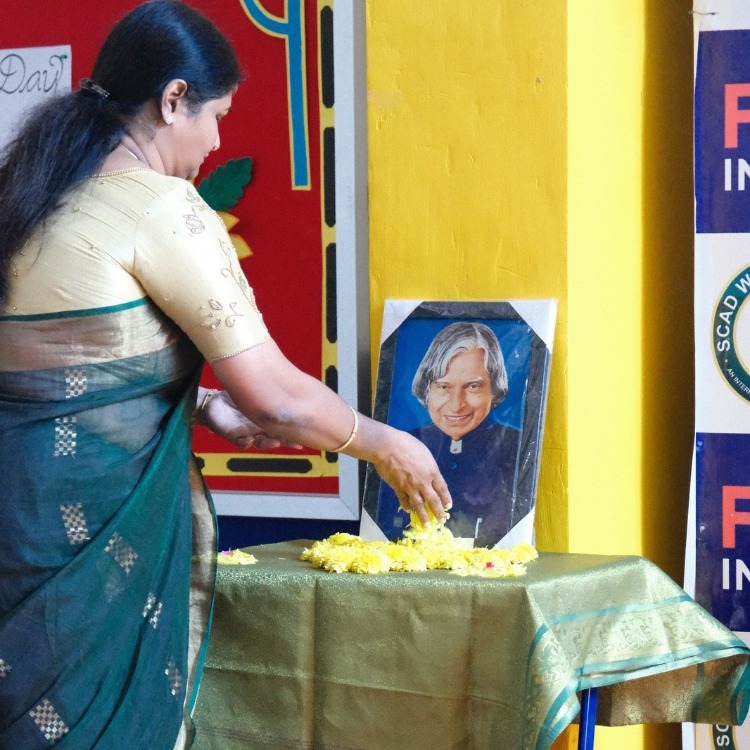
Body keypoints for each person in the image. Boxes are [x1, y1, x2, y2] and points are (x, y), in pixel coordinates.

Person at [0, 3, 451, 748]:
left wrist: (200, 401)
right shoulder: (159, 207)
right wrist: (385, 444)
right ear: (173, 99)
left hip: (21, 536)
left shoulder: (28, 196)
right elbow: (274, 397)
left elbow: (60, 374)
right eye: (216, 116)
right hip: (88, 566)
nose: (216, 141)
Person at [377, 322, 520, 547]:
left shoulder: (517, 447)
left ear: (494, 389)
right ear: (427, 389)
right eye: (443, 386)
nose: (456, 405)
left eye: (472, 386)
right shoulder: (398, 450)